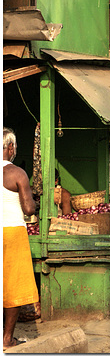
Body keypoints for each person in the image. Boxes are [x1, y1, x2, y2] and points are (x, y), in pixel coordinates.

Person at [3, 127, 39, 349]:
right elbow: (28, 209)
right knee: (13, 284)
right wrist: (33, 200)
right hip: (12, 232)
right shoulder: (17, 173)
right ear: (10, 147)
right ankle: (6, 338)